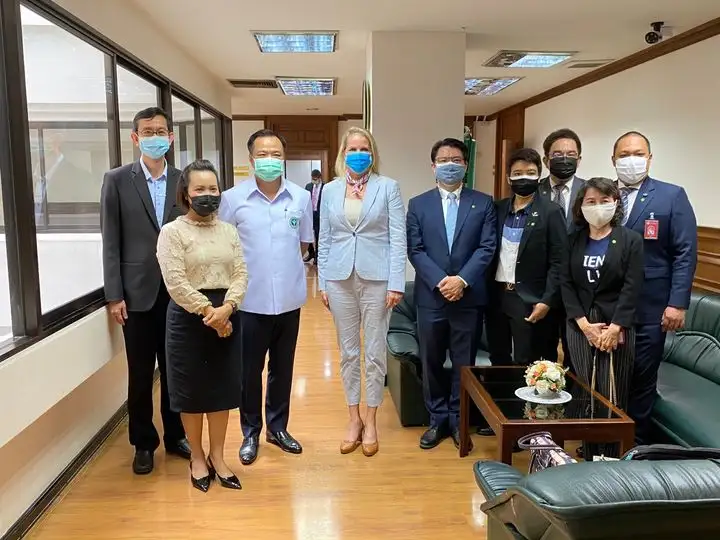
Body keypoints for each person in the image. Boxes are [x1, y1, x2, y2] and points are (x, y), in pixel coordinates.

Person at [100, 106, 189, 475]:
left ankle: (176, 436)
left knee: (175, 370)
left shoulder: (183, 180)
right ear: (135, 138)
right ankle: (143, 443)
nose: (155, 137)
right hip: (135, 296)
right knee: (140, 374)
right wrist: (114, 295)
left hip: (178, 293)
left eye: (161, 131)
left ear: (171, 137)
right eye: (148, 131)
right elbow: (110, 241)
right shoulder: (117, 180)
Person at [218, 129, 314, 465]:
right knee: (249, 371)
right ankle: (250, 432)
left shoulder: (300, 198)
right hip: (249, 302)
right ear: (251, 159)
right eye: (262, 154)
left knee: (282, 368)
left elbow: (304, 244)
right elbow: (225, 248)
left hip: (288, 300)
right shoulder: (232, 199)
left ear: (283, 158)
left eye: (275, 154)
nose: (269, 160)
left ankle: (278, 427)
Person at [157, 160, 248, 492]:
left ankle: (218, 456)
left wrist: (228, 307)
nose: (207, 194)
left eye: (213, 188)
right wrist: (210, 312)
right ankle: (197, 457)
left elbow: (241, 272)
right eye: (200, 189)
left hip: (227, 314)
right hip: (188, 319)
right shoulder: (172, 232)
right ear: (186, 194)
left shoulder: (228, 231)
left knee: (221, 391)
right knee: (192, 393)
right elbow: (175, 282)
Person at [318, 127, 406, 457]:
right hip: (339, 278)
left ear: (372, 153)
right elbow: (324, 238)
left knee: (375, 352)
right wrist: (323, 282)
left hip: (378, 279)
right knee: (348, 352)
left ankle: (371, 420)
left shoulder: (388, 187)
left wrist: (396, 282)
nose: (358, 153)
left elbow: (397, 238)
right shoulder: (330, 190)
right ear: (343, 154)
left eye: (364, 148)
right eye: (352, 148)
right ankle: (353, 418)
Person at [407, 137, 497, 451]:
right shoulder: (418, 204)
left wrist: (462, 281)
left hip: (468, 298)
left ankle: (459, 419)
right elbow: (416, 250)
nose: (450, 165)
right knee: (431, 361)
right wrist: (442, 281)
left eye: (456, 160)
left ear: (466, 165)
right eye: (443, 160)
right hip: (431, 297)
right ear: (433, 166)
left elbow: (487, 247)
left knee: (463, 363)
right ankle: (437, 419)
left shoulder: (483, 202)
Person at [612, 131, 697, 444]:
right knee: (609, 376)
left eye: (638, 154)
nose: (631, 160)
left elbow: (685, 252)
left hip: (651, 307)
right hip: (608, 306)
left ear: (649, 158)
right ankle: (604, 439)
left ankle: (635, 445)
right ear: (613, 159)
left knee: (642, 378)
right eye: (624, 155)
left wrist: (677, 303)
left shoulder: (671, 196)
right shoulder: (602, 195)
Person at [562, 177, 644, 458]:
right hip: (581, 323)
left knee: (614, 387)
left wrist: (615, 328)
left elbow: (632, 287)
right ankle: (589, 449)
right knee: (588, 386)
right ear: (581, 206)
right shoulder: (572, 240)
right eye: (591, 201)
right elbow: (565, 284)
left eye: (604, 201)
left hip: (616, 323)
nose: (598, 206)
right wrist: (584, 325)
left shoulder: (630, 240)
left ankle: (610, 454)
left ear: (615, 203)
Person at [486, 148, 566, 367]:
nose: (524, 178)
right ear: (508, 178)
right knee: (498, 358)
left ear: (539, 176)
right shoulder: (497, 208)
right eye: (517, 173)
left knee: (529, 362)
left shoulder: (551, 211)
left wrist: (547, 300)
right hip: (498, 295)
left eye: (530, 173)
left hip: (531, 299)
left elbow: (559, 261)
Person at [537, 128, 586, 375]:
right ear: (546, 160)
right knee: (541, 354)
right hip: (542, 286)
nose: (564, 159)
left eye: (571, 154)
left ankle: (575, 397)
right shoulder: (532, 191)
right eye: (557, 154)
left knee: (576, 353)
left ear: (579, 159)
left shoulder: (591, 193)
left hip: (579, 288)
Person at [304, 169, 324, 264]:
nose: (314, 181)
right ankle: (311, 252)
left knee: (318, 235)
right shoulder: (308, 186)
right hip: (309, 213)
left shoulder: (325, 187)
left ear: (320, 178)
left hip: (319, 215)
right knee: (306, 233)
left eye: (315, 179)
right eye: (312, 179)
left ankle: (317, 256)